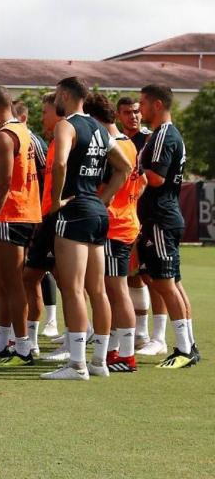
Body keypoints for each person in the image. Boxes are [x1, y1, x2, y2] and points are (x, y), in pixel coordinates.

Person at [42, 77, 130, 380]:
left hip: (74, 211)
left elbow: (60, 164)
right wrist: (103, 199)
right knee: (97, 289)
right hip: (96, 212)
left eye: (57, 95)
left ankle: (77, 364)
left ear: (66, 96)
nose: (55, 100)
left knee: (73, 289)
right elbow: (125, 167)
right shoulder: (98, 128)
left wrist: (56, 200)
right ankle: (99, 362)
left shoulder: (66, 125)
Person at [136, 84, 199, 368]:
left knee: (164, 283)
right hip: (163, 217)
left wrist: (132, 168)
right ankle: (189, 346)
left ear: (157, 104)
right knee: (172, 283)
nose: (140, 109)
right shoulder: (165, 134)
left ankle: (184, 350)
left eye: (143, 104)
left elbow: (157, 178)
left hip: (161, 218)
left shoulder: (163, 134)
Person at [0, 86, 42, 367]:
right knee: (1, 280)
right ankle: (3, 342)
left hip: (11, 214)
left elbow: (4, 183)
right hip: (23, 211)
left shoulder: (5, 136)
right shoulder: (23, 130)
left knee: (13, 282)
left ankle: (23, 347)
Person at [84, 93, 144, 372]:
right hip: (127, 222)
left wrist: (103, 203)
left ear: (94, 119)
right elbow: (142, 181)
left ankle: (125, 355)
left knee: (115, 290)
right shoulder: (128, 144)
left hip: (114, 226)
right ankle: (115, 350)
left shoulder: (111, 148)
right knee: (113, 290)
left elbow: (119, 180)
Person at [15, 100, 59, 338]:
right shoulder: (51, 142)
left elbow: (43, 177)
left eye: (45, 112)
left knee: (58, 276)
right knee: (32, 274)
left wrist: (46, 207)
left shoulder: (34, 142)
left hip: (44, 217)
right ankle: (27, 338)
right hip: (38, 216)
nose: (42, 117)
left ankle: (58, 325)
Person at [117, 96, 156, 348]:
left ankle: (156, 335)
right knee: (131, 275)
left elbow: (147, 179)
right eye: (127, 112)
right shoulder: (119, 140)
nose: (133, 116)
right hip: (127, 218)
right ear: (118, 116)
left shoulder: (149, 140)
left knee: (152, 276)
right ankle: (139, 334)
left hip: (148, 216)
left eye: (136, 111)